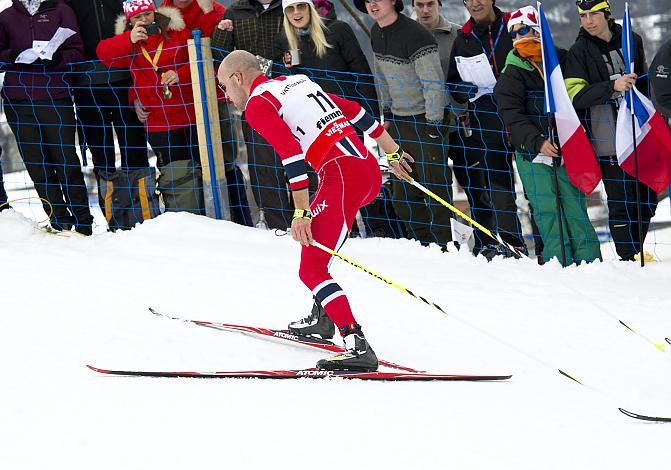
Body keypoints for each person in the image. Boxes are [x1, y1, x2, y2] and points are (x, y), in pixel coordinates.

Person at [218, 50, 415, 371]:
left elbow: (292, 154)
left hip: (342, 178)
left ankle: (357, 346)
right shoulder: (295, 83)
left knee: (310, 268)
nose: (227, 96)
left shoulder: (257, 104)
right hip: (367, 171)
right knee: (318, 250)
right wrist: (394, 153)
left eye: (225, 86)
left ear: (238, 77)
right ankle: (322, 319)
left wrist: (301, 212)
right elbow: (355, 111)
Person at [493, 6, 601, 265]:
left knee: (575, 209)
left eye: (525, 30)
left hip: (566, 149)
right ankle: (559, 262)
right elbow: (512, 116)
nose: (519, 37)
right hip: (532, 154)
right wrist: (537, 141)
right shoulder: (511, 74)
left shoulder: (561, 61)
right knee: (548, 212)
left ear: (539, 31)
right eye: (514, 34)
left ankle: (590, 264)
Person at [564, 0, 657, 261]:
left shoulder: (632, 39)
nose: (588, 21)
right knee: (621, 200)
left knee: (647, 199)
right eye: (583, 16)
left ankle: (636, 249)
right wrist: (611, 86)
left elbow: (644, 81)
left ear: (607, 14)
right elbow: (575, 96)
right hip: (607, 138)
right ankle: (628, 257)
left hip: (639, 132)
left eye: (594, 14)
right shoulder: (578, 51)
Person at [355, 0, 453, 248]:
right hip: (398, 122)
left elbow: (433, 83)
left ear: (394, 2)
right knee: (403, 194)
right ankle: (420, 244)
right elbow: (381, 76)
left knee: (435, 190)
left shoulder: (416, 34)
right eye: (367, 1)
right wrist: (386, 114)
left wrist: (433, 124)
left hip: (425, 120)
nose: (373, 5)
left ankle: (446, 248)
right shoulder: (377, 31)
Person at [97, 0, 205, 215]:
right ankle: (184, 218)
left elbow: (198, 59)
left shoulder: (176, 30)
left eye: (147, 14)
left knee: (203, 169)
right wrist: (129, 39)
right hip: (158, 120)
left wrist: (179, 74)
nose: (144, 20)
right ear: (129, 21)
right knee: (174, 174)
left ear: (154, 12)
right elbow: (104, 54)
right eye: (137, 17)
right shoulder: (130, 42)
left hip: (191, 113)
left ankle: (211, 215)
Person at [0, 0, 94, 234]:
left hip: (55, 96)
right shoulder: (6, 16)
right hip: (17, 100)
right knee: (37, 166)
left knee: (66, 161)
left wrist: (59, 59)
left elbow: (77, 50)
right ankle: (59, 220)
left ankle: (83, 223)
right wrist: (13, 55)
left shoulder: (62, 10)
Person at [161, 0, 252, 226]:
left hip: (214, 97)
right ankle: (199, 223)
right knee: (190, 167)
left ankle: (239, 220)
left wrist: (209, 14)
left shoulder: (214, 9)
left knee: (226, 160)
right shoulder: (162, 14)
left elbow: (216, 51)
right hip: (179, 104)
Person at [446, 0, 526, 257]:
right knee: (500, 192)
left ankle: (548, 250)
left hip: (524, 121)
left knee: (536, 190)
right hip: (487, 124)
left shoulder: (515, 27)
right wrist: (463, 91)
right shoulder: (463, 39)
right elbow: (452, 84)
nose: (474, 3)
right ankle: (514, 247)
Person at [212, 0, 292, 231]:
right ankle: (280, 228)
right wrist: (221, 34)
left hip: (287, 96)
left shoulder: (288, 7)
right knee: (264, 169)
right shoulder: (235, 12)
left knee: (301, 165)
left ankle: (312, 222)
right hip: (251, 103)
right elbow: (220, 58)